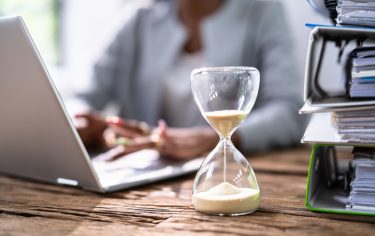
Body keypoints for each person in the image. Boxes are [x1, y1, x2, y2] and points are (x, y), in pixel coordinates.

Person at [73, 0, 306, 160]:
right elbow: (80, 96)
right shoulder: (139, 16)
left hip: (223, 164)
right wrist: (84, 124)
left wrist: (214, 137)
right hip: (141, 174)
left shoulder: (262, 11)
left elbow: (288, 112)